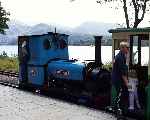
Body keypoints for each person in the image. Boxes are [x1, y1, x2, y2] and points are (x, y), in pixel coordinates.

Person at [111, 41, 129, 113]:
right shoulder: (120, 58)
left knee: (121, 94)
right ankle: (118, 111)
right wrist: (128, 84)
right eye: (127, 48)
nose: (128, 49)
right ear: (122, 48)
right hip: (119, 80)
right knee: (120, 94)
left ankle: (118, 109)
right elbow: (123, 73)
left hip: (117, 79)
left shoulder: (119, 56)